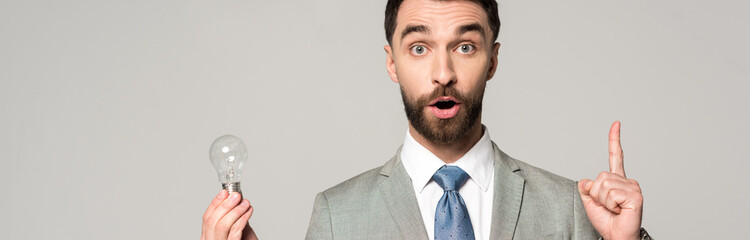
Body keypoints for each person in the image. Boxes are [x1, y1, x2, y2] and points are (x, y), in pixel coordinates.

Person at [201, 0, 651, 239]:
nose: (443, 74)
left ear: (492, 61)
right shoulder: (337, 216)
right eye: (419, 48)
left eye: (465, 46)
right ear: (391, 62)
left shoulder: (570, 208)